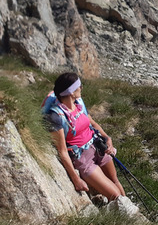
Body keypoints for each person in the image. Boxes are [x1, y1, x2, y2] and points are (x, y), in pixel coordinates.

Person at [42, 72, 126, 201]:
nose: (81, 88)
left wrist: (107, 138)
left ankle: (133, 215)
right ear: (70, 92)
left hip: (98, 146)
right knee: (116, 196)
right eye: (79, 86)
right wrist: (76, 180)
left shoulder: (79, 104)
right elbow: (62, 151)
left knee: (115, 181)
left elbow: (92, 123)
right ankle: (125, 214)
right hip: (82, 159)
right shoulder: (56, 117)